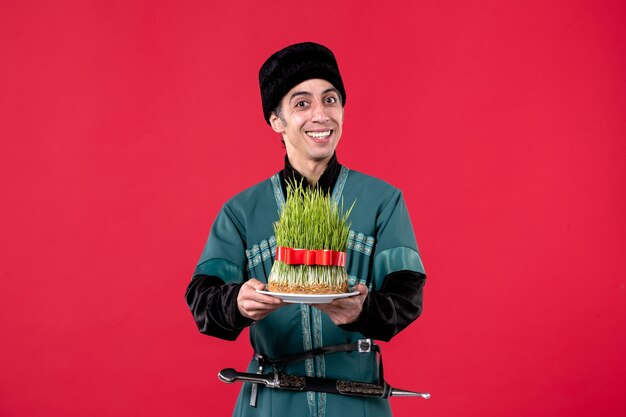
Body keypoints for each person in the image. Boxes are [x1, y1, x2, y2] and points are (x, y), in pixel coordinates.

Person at [185, 42, 426, 417]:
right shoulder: (241, 211)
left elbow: (407, 297)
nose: (321, 115)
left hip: (357, 397)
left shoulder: (382, 200)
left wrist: (364, 311)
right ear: (275, 120)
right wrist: (238, 303)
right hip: (271, 399)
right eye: (302, 103)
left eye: (330, 100)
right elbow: (202, 298)